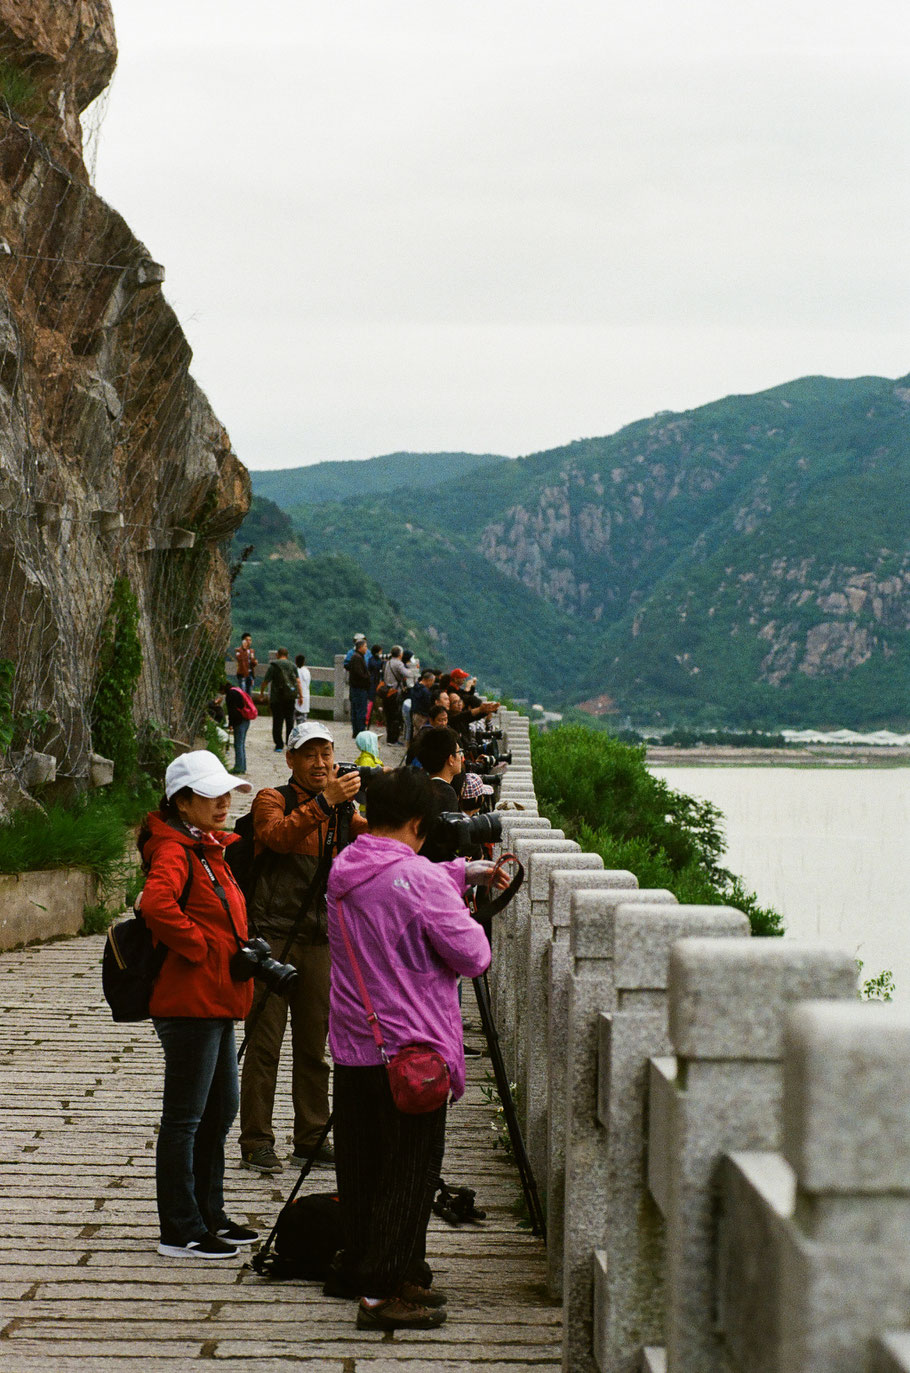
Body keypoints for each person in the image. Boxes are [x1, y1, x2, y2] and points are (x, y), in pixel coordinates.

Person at [325, 767, 496, 1330]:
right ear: (422, 824)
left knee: (364, 1166)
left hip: (355, 1045)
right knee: (411, 1171)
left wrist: (457, 871)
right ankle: (380, 1297)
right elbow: (473, 956)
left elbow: (393, 881)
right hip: (411, 1052)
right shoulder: (416, 881)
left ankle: (371, 1267)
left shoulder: (346, 869)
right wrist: (464, 900)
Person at [138, 751, 256, 1260]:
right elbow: (156, 905)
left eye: (227, 792)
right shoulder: (174, 850)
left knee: (220, 1110)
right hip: (189, 1002)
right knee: (185, 1118)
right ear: (183, 802)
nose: (224, 801)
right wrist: (201, 949)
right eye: (211, 794)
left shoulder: (208, 849)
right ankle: (180, 1228)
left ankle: (211, 1213)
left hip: (216, 1001)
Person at [238, 722, 367, 1174]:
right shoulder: (272, 800)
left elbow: (372, 841)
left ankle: (311, 1136)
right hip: (272, 936)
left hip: (322, 939)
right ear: (290, 759)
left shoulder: (343, 810)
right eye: (309, 755)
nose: (320, 764)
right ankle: (256, 1139)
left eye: (326, 754)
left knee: (314, 1047)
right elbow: (276, 836)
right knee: (264, 1044)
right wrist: (323, 804)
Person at [259, 648, 302, 752]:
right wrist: (301, 696)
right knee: (290, 721)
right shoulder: (292, 666)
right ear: (287, 655)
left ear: (277, 655)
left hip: (276, 698)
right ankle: (290, 743)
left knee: (277, 721)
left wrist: (261, 693)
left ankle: (278, 745)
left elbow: (265, 682)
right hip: (290, 697)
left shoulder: (274, 666)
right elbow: (298, 681)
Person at [220, 681, 252, 774]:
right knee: (241, 744)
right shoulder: (236, 689)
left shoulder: (230, 694)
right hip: (245, 719)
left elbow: (232, 711)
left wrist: (231, 724)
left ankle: (239, 767)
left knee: (238, 745)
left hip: (239, 721)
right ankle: (242, 766)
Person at [381, 646, 409, 744]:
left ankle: (389, 738)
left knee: (389, 717)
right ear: (400, 654)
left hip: (387, 692)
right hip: (395, 692)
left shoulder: (387, 662)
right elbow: (408, 674)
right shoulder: (398, 664)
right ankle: (393, 740)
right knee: (395, 717)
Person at [347, 638, 371, 738]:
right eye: (365, 646)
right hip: (359, 689)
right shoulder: (357, 658)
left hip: (356, 688)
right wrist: (368, 678)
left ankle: (356, 732)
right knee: (360, 711)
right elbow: (359, 674)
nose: (366, 648)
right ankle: (360, 732)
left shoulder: (356, 656)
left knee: (356, 710)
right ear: (360, 647)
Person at [294, 655, 311, 722]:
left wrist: (300, 696)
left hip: (297, 696)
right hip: (305, 696)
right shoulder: (307, 671)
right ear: (304, 662)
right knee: (302, 721)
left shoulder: (295, 671)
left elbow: (298, 684)